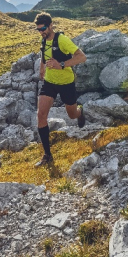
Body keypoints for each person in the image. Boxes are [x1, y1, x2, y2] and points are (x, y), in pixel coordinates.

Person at [34, 12, 87, 167]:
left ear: (51, 25)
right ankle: (47, 155)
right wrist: (42, 69)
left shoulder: (62, 40)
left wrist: (61, 64)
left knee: (71, 115)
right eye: (38, 29)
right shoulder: (43, 40)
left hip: (66, 83)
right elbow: (44, 55)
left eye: (43, 28)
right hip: (49, 82)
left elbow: (82, 57)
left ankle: (80, 111)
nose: (41, 32)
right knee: (41, 115)